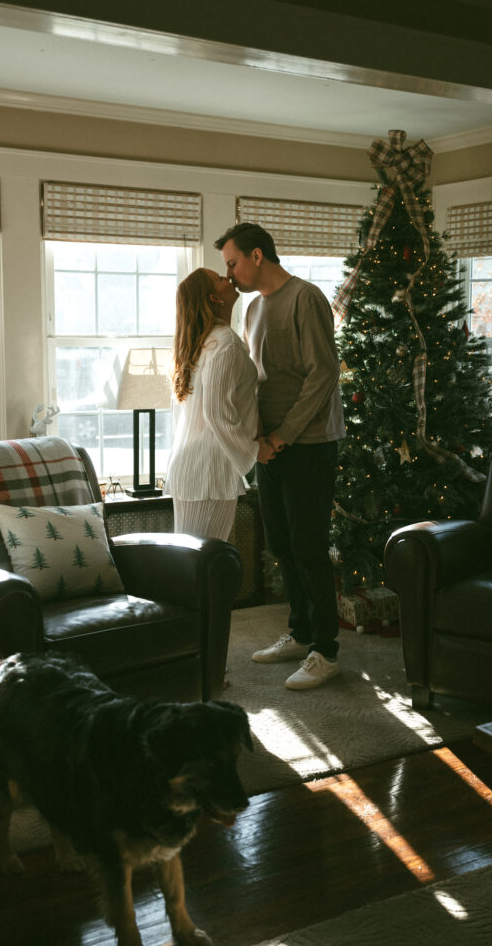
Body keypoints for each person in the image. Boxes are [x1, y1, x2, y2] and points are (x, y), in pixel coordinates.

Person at [215, 222, 346, 690]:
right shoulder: (252, 309)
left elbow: (323, 373)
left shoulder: (305, 298)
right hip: (269, 446)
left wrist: (283, 436)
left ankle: (326, 650)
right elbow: (259, 381)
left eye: (231, 263)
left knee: (309, 546)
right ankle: (301, 631)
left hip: (307, 445)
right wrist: (257, 439)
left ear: (255, 255)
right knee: (282, 545)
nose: (228, 274)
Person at [166, 267, 272, 542]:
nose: (229, 278)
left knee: (196, 565)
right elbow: (216, 412)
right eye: (219, 279)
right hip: (208, 471)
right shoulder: (223, 343)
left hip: (196, 468)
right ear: (214, 298)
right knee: (203, 566)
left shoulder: (205, 343)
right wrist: (254, 450)